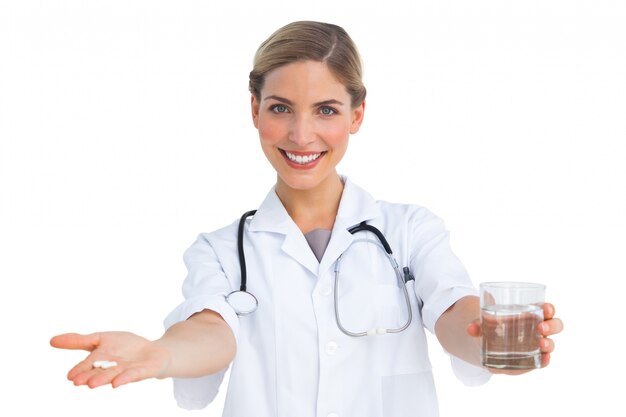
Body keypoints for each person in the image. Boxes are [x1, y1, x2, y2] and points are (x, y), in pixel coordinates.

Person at [50, 21, 563, 417]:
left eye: (325, 110)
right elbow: (211, 330)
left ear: (356, 115)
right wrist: (161, 354)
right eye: (280, 108)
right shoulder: (221, 249)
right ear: (254, 110)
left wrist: (489, 338)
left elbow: (454, 311)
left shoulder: (410, 231)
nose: (300, 134)